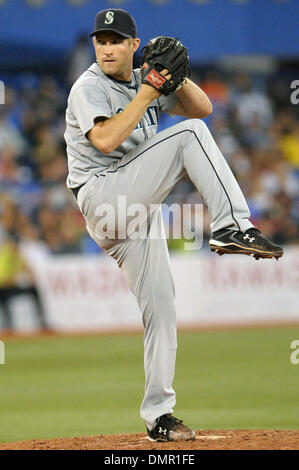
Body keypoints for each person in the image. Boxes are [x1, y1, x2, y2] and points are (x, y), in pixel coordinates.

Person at [64, 8, 283, 442]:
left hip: (135, 208)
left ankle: (159, 416)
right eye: (100, 40)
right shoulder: (88, 86)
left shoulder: (145, 78)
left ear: (133, 45)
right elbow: (106, 140)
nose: (106, 47)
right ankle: (231, 224)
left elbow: (203, 106)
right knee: (188, 135)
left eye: (115, 40)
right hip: (102, 196)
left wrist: (175, 77)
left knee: (162, 309)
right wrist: (149, 90)